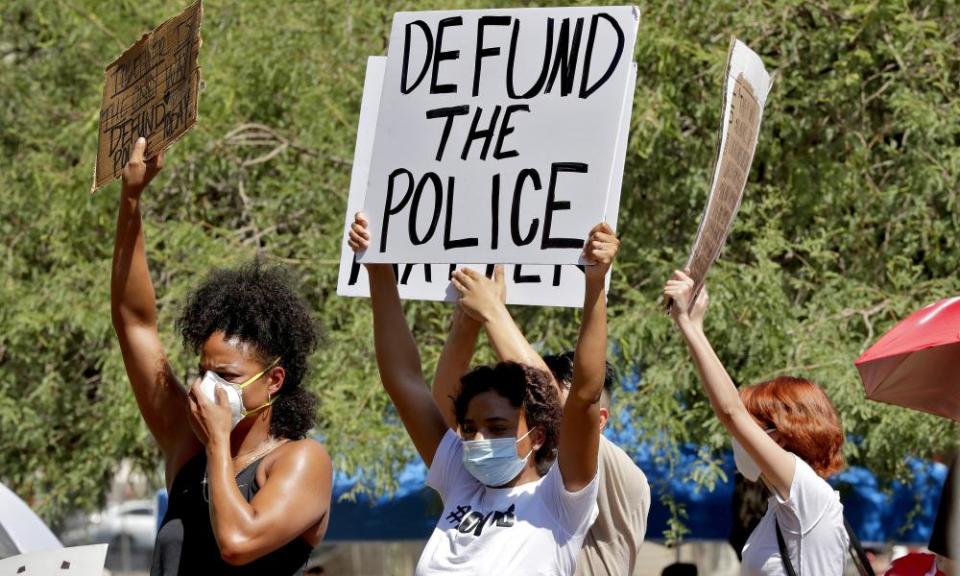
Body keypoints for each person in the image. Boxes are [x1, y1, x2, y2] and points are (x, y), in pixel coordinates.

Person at [347, 212, 617, 575]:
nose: (479, 439)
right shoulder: (461, 480)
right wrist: (379, 270)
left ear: (536, 436)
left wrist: (595, 283)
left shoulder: (559, 499)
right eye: (470, 427)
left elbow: (584, 394)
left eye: (498, 426)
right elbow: (403, 380)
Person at [111, 138, 332, 575]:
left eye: (227, 375)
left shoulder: (301, 460)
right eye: (204, 372)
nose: (209, 387)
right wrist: (131, 200)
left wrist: (216, 444)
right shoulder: (185, 444)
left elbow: (237, 542)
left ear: (273, 380)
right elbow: (134, 322)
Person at [431, 265, 650, 575]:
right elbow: (444, 411)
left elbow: (560, 409)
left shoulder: (616, 471)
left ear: (599, 420)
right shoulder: (516, 475)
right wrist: (469, 322)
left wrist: (494, 314)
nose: (539, 414)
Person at [664, 269, 848, 575]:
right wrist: (693, 324)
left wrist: (688, 325)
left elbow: (731, 411)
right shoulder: (783, 506)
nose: (740, 437)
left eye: (753, 427)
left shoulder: (808, 494)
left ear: (780, 435)